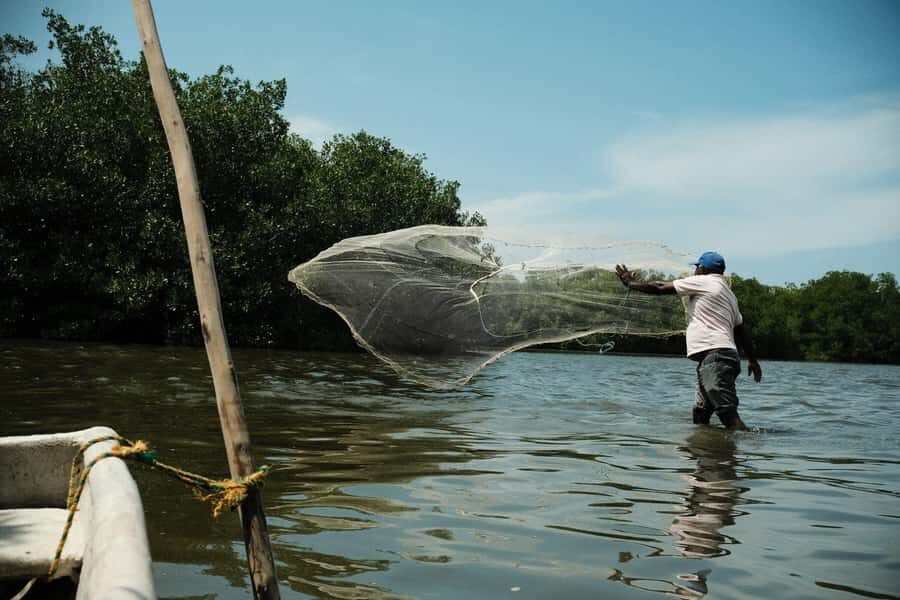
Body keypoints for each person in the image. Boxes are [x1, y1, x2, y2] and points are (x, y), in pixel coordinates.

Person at [615, 251, 762, 431]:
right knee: (701, 415)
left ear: (702, 268)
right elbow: (741, 329)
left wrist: (629, 282)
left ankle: (748, 450)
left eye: (696, 267)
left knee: (728, 415)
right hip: (721, 359)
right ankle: (707, 452)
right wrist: (753, 360)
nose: (694, 271)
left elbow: (660, 287)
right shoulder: (729, 294)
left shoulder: (704, 281)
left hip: (716, 359)